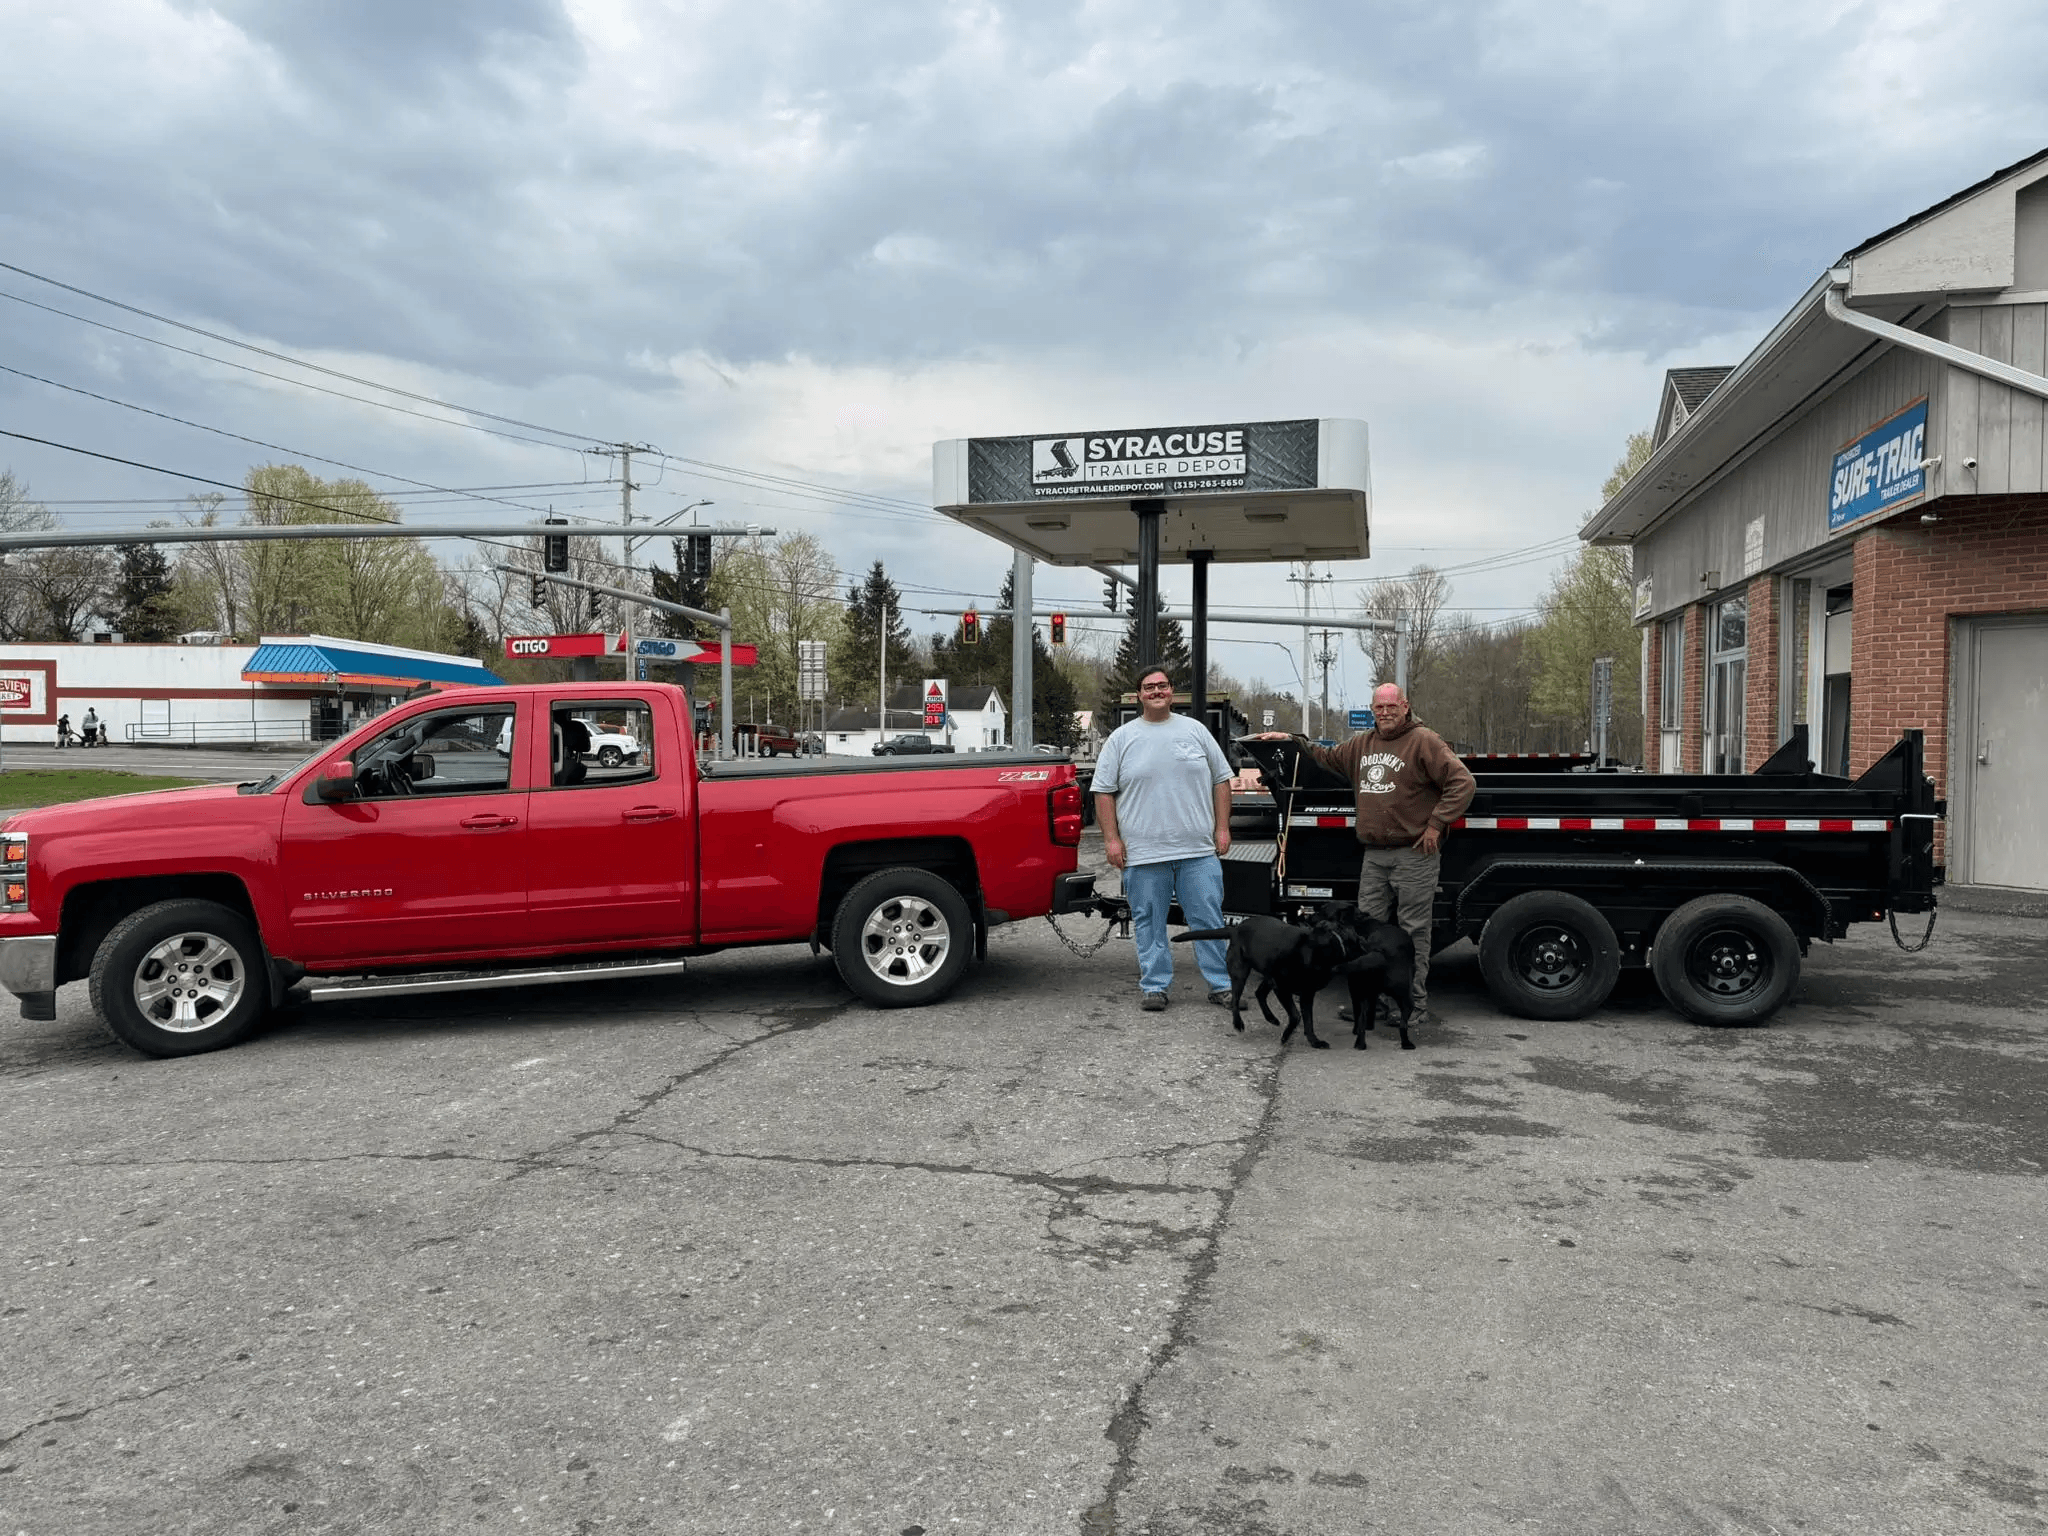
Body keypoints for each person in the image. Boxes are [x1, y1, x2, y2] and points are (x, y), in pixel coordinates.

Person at [1255, 683, 1474, 1025]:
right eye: (1379, 708)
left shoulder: (1424, 741)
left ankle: (1413, 1006)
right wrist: (1292, 740)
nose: (1385, 713)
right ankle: (1374, 1004)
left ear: (1405, 706)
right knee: (1367, 934)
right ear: (1372, 710)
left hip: (1414, 853)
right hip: (1374, 855)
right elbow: (1325, 756)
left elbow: (1463, 782)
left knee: (1412, 932)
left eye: (1391, 706)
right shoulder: (1362, 744)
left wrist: (1437, 824)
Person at [1092, 665, 1236, 1012]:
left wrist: (1222, 827)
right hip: (1143, 854)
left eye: (1162, 685)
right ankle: (1155, 986)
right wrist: (1112, 839)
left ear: (1172, 692)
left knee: (1209, 920)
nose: (1156, 691)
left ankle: (1222, 985)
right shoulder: (1122, 739)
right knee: (1149, 922)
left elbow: (1221, 780)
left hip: (1197, 851)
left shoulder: (1196, 731)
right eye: (1149, 687)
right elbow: (1103, 792)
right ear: (1138, 695)